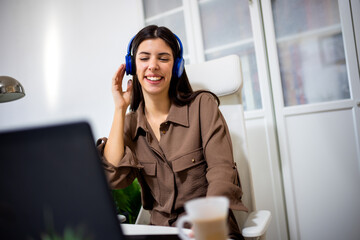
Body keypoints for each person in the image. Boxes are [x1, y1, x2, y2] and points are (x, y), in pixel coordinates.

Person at [96, 25, 247, 240]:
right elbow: (114, 177)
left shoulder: (202, 107)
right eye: (144, 58)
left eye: (163, 58)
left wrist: (207, 222)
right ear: (132, 66)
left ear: (176, 66)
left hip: (209, 231)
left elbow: (221, 172)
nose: (153, 66)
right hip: (161, 233)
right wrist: (120, 108)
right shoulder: (130, 124)